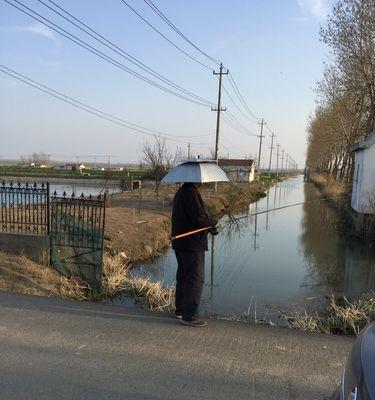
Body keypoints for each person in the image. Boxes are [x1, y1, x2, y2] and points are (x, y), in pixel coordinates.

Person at [171, 182, 219, 327]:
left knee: (184, 277)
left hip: (181, 243)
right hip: (192, 244)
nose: (203, 182)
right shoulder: (190, 193)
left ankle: (180, 310)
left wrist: (209, 225)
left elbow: (196, 217)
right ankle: (190, 316)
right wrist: (212, 223)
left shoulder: (181, 191)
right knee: (195, 279)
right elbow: (199, 218)